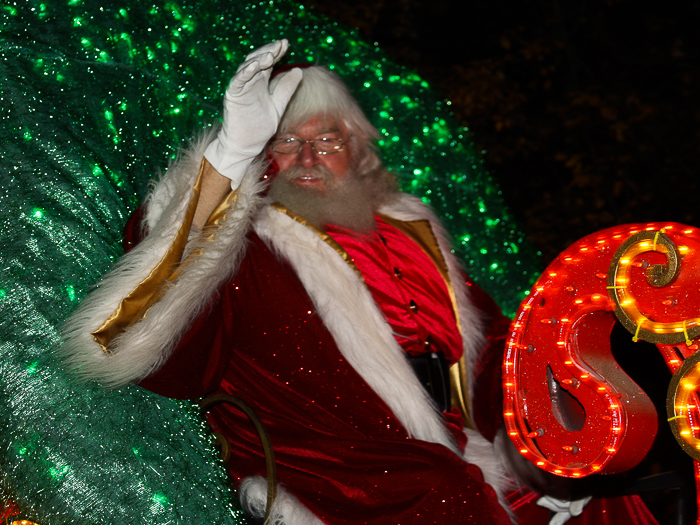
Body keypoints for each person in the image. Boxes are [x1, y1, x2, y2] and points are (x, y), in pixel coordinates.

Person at [61, 40, 658, 524]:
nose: (310, 158)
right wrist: (230, 154)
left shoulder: (414, 230)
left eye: (327, 140)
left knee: (605, 491)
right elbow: (159, 308)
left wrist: (545, 432)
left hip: (465, 440)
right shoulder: (245, 244)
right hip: (344, 465)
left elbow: (496, 351)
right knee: (448, 494)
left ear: (359, 151)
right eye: (286, 143)